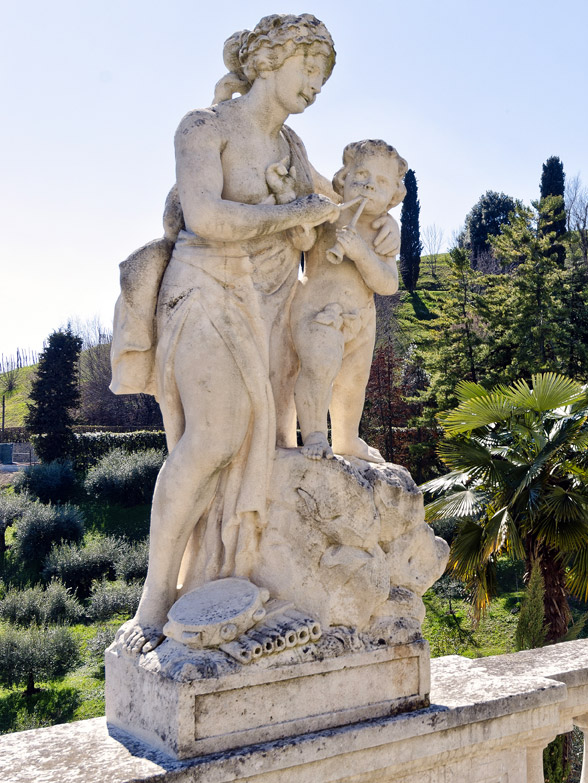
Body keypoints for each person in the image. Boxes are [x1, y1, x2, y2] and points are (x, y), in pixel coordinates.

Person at [113, 14, 349, 654]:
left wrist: (373, 223)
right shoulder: (205, 128)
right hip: (206, 292)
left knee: (264, 445)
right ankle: (155, 597)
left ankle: (235, 582)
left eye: (324, 78)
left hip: (270, 300)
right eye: (311, 69)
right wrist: (293, 214)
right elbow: (207, 216)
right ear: (272, 59)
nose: (316, 87)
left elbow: (345, 203)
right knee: (213, 435)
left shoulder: (295, 152)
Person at [292, 139, 407, 463]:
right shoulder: (330, 211)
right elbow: (301, 240)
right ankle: (315, 433)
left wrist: (361, 252)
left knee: (353, 384)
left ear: (392, 197)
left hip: (362, 317)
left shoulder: (383, 231)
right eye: (362, 176)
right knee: (319, 367)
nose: (370, 185)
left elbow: (387, 284)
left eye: (382, 182)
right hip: (318, 311)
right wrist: (304, 221)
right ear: (344, 179)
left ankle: (346, 438)